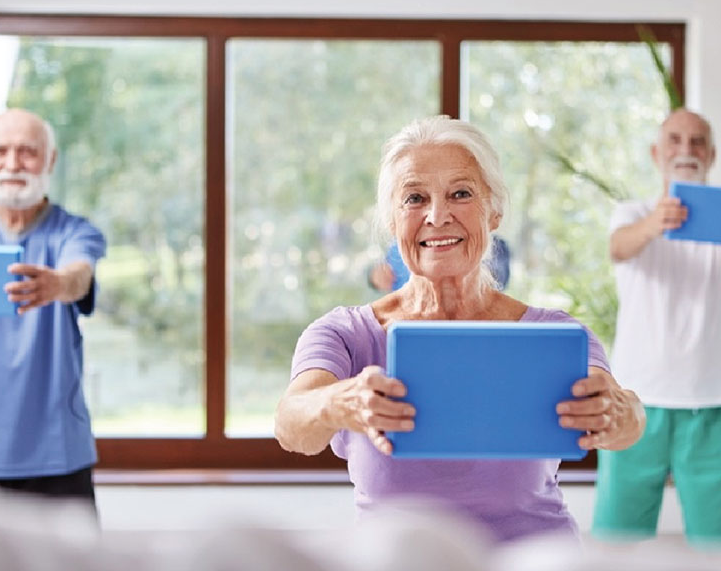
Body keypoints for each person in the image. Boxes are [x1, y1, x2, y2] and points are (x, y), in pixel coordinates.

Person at [275, 115, 645, 543]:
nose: (437, 216)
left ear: (495, 211)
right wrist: (342, 402)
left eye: (461, 193)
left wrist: (620, 413)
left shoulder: (552, 333)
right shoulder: (345, 333)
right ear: (393, 222)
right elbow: (291, 424)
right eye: (414, 198)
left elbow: (626, 415)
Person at [591, 109, 721, 548]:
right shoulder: (634, 214)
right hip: (636, 404)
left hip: (714, 405)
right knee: (615, 541)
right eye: (676, 140)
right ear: (656, 153)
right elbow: (618, 248)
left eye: (697, 142)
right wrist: (654, 225)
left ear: (712, 154)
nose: (687, 150)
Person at [0, 109, 106, 507]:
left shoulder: (74, 232)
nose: (12, 164)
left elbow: (79, 274)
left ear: (51, 160)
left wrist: (58, 284)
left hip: (57, 455)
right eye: (0, 151)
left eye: (27, 152)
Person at [368, 234, 512, 292]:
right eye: (383, 284)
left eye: (380, 276)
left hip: (452, 256)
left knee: (492, 251)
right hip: (458, 281)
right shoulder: (401, 292)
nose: (385, 279)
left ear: (380, 266)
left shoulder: (395, 249)